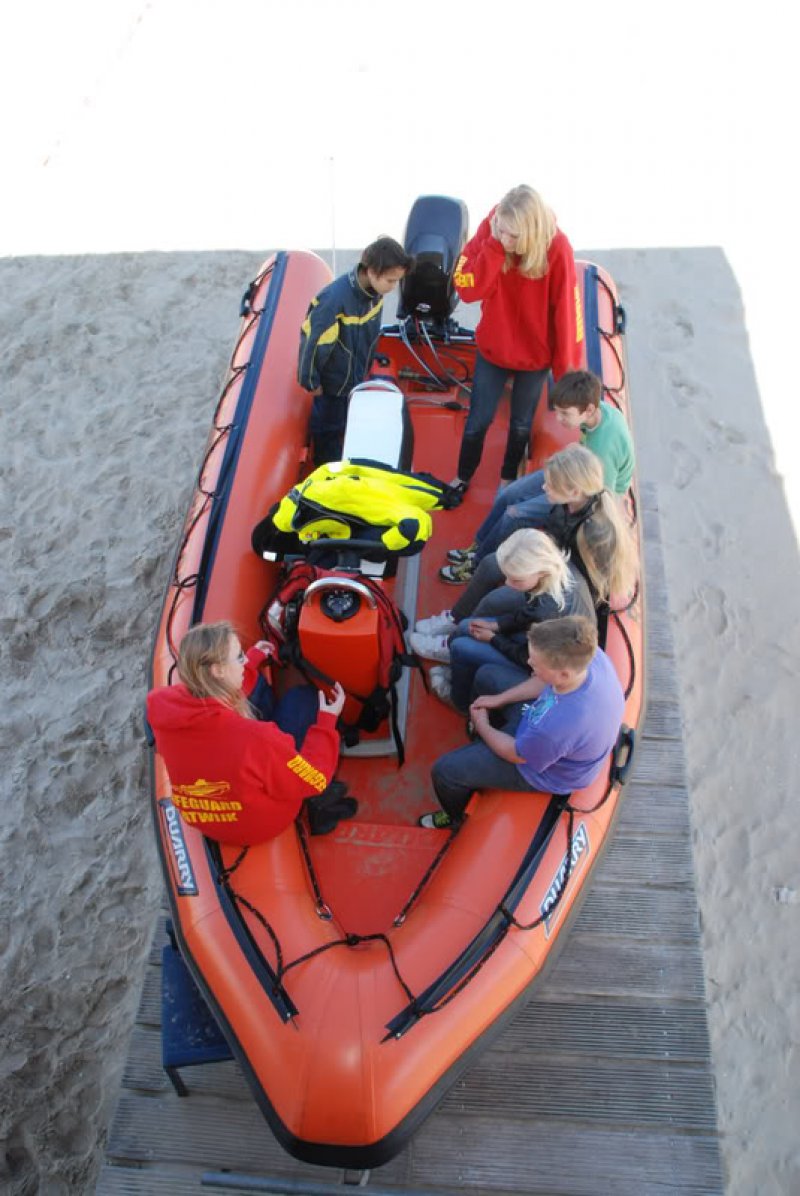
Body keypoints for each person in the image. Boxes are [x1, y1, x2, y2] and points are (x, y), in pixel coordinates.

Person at [146, 621, 355, 844]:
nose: (245, 660)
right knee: (303, 699)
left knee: (255, 687)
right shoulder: (258, 739)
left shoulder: (159, 707)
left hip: (205, 818)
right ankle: (319, 807)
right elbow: (315, 779)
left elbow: (212, 702)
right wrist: (327, 721)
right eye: (239, 657)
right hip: (261, 823)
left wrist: (252, 660)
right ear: (218, 670)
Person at [419, 444, 638, 645]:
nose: (544, 487)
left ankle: (455, 642)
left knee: (493, 602)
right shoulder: (565, 505)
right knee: (489, 564)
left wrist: (531, 576)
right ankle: (455, 618)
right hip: (549, 564)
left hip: (560, 584)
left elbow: (578, 586)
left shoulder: (593, 533)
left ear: (574, 491)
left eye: (551, 484)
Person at [419, 616, 624, 829]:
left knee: (445, 771)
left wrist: (483, 724)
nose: (529, 663)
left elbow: (515, 754)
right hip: (537, 723)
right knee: (486, 676)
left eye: (536, 663)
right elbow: (544, 682)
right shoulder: (589, 659)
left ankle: (455, 818)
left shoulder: (558, 727)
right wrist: (500, 699)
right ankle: (485, 739)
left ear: (563, 673)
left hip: (540, 770)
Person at [449, 185, 582, 492]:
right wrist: (495, 246)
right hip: (493, 349)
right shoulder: (496, 225)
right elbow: (467, 289)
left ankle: (508, 478)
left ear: (532, 232)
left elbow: (566, 315)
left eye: (514, 237)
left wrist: (566, 380)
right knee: (477, 421)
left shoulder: (558, 247)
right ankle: (462, 476)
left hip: (534, 358)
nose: (507, 240)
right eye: (503, 232)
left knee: (521, 425)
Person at [443, 371, 635, 578]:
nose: (559, 419)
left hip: (581, 488)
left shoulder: (603, 451)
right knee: (510, 493)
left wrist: (563, 492)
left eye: (565, 414)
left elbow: (597, 495)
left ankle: (476, 565)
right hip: (574, 468)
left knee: (514, 514)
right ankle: (478, 546)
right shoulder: (599, 413)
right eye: (558, 412)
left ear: (588, 410)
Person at [412, 528, 594, 711]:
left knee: (462, 647)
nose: (507, 584)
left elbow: (527, 658)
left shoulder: (549, 612)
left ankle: (459, 701)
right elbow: (529, 613)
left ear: (541, 573)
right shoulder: (555, 572)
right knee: (467, 626)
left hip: (540, 668)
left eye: (515, 580)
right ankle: (454, 663)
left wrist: (493, 638)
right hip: (537, 643)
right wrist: (495, 625)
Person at [298, 237, 414, 466]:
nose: (393, 288)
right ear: (372, 272)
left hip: (356, 376)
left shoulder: (374, 293)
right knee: (327, 431)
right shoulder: (333, 302)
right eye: (391, 281)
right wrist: (311, 382)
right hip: (333, 386)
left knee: (345, 424)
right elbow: (313, 345)